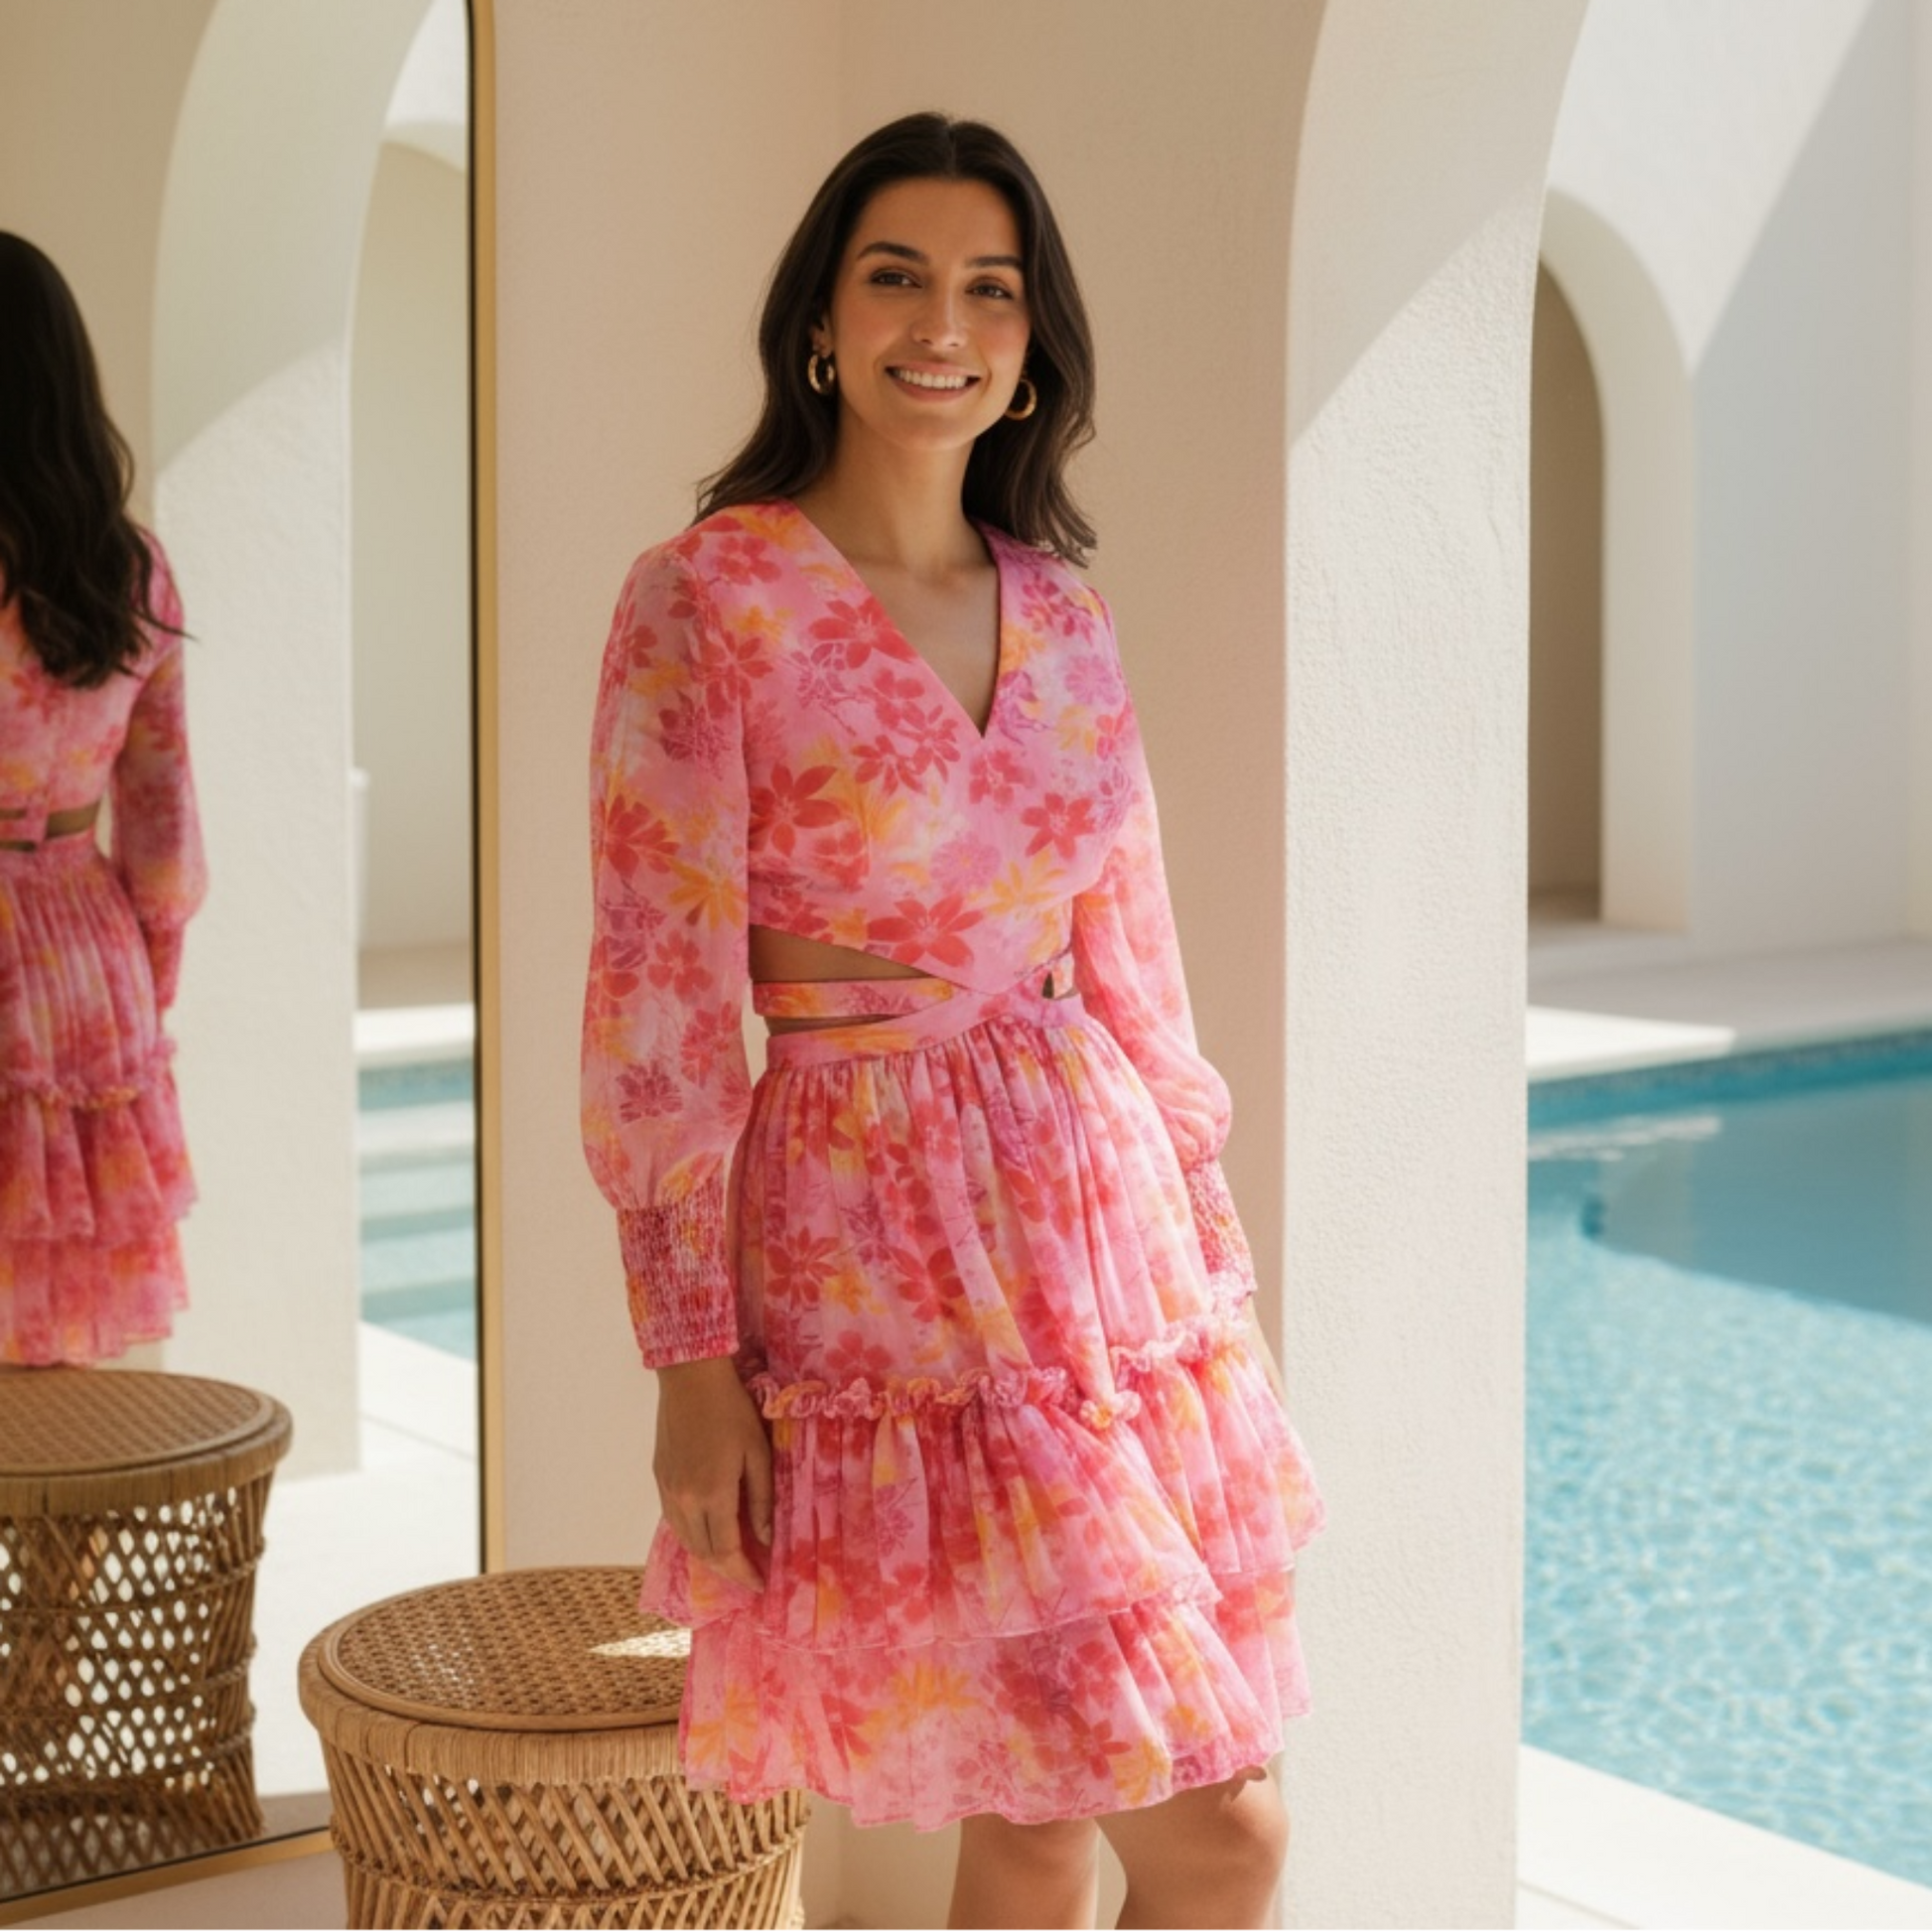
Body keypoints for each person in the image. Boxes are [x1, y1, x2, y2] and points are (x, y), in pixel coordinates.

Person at [582, 115, 1322, 1932]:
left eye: (991, 286)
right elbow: (656, 999)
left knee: (1039, 1819)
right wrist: (688, 1356)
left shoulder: (1065, 609)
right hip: (876, 1251)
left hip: (1106, 1260)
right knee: (1221, 1839)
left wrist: (1209, 1271)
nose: (946, 320)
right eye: (897, 273)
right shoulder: (712, 600)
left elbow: (1133, 954)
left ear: (1031, 340)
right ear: (822, 323)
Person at [0, 233, 206, 1367]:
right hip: (81, 959)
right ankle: (65, 1557)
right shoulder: (130, 571)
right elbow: (166, 836)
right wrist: (146, 984)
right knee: (67, 1348)